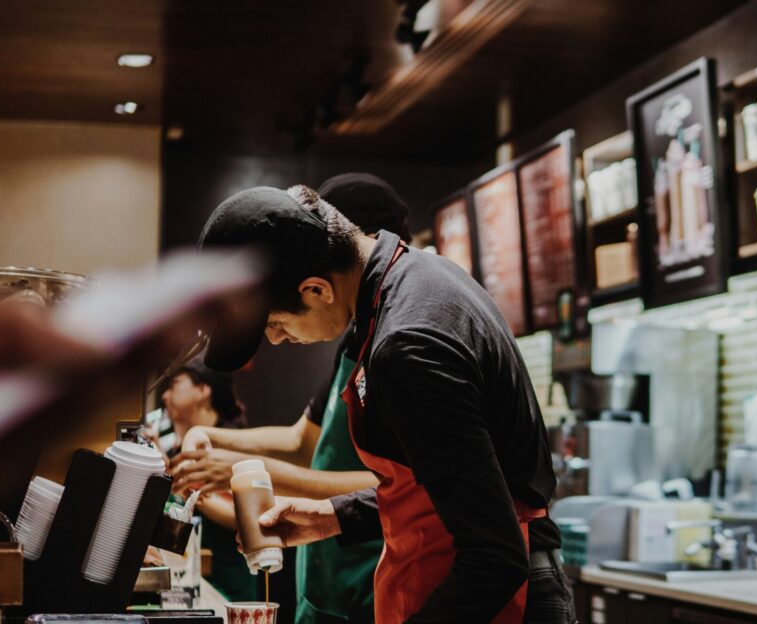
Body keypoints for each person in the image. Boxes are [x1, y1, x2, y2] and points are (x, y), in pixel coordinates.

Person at [197, 181, 576, 623]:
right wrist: (334, 515)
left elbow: (495, 556)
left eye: (276, 324)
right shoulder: (416, 278)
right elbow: (451, 489)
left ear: (317, 290)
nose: (278, 340)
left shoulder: (408, 344)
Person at [170, 173, 412, 624]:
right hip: (325, 578)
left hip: (372, 575)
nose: (276, 339)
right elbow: (305, 441)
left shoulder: (402, 343)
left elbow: (402, 490)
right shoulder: (353, 341)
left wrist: (250, 472)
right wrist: (212, 437)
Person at [159, 360, 257, 601]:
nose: (164, 396)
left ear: (203, 389)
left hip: (229, 589)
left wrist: (181, 484)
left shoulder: (232, 446)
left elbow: (245, 516)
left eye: (173, 385)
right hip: (186, 585)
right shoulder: (174, 450)